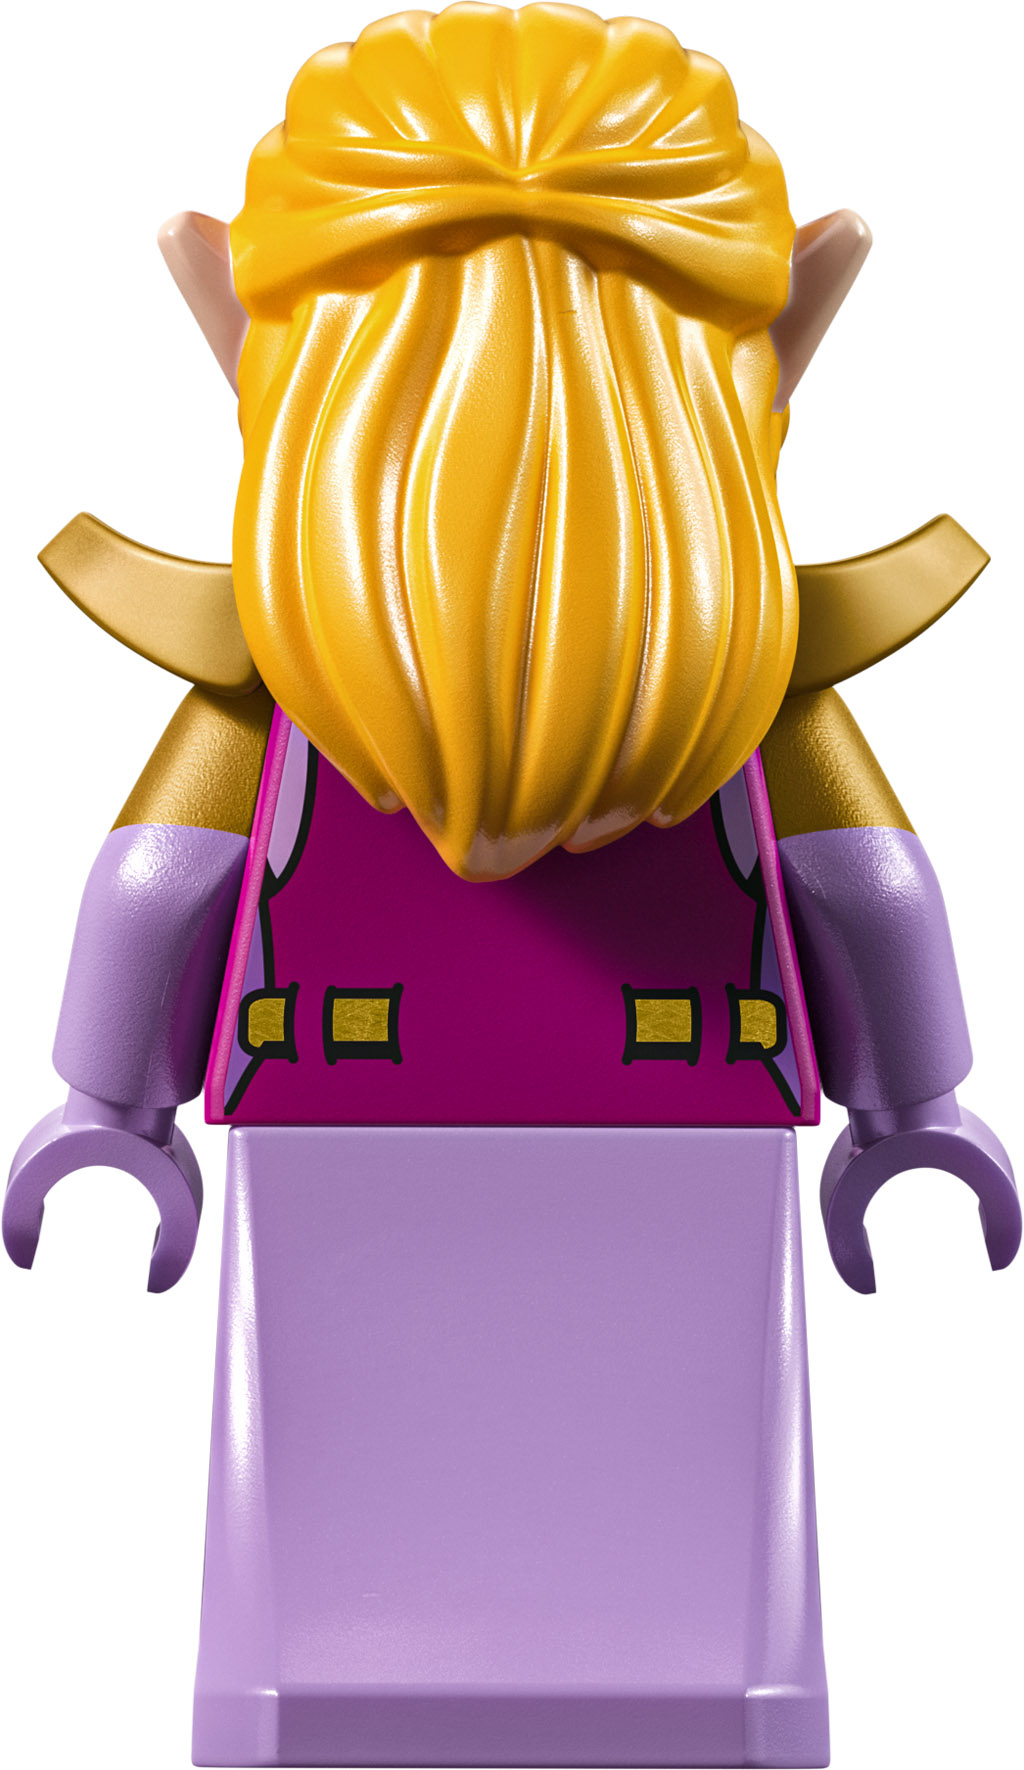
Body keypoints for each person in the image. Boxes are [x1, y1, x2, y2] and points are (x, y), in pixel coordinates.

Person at [5, 10, 1018, 1766]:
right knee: (334, 1560)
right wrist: (106, 1107)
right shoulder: (298, 701)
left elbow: (864, 881)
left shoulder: (726, 701)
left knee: (693, 1566)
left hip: (648, 1144)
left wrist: (916, 1107)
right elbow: (163, 879)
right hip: (369, 1146)